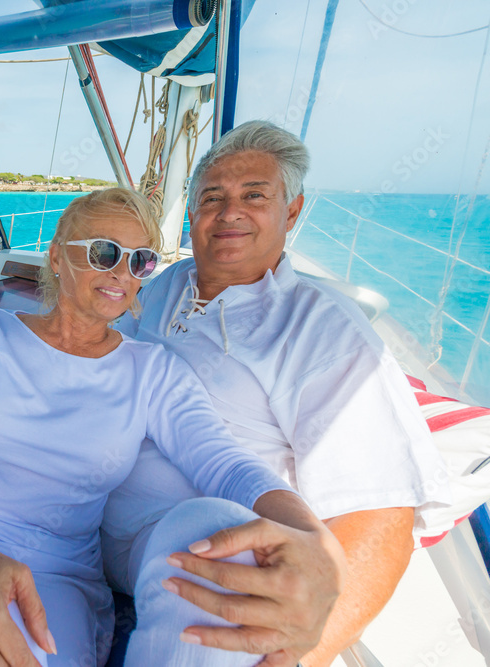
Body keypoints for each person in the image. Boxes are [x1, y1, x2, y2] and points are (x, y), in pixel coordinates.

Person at [0, 187, 344, 666]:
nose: (122, 273)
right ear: (58, 256)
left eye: (140, 260)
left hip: (59, 571)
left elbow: (223, 463)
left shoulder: (152, 370)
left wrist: (314, 540)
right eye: (104, 253)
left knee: (212, 527)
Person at [104, 120, 450, 665]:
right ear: (191, 212)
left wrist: (296, 656)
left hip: (190, 555)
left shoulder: (323, 331)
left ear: (292, 211)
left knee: (213, 532)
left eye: (254, 196)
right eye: (211, 197)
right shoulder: (162, 287)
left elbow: (381, 518)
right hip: (86, 534)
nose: (228, 212)